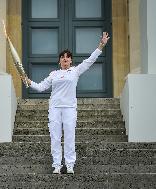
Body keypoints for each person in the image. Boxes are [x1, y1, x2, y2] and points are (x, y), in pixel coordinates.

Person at [24, 32, 110, 174]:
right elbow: (40, 87)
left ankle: (69, 165)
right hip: (55, 109)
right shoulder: (54, 74)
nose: (65, 59)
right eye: (63, 57)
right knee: (55, 137)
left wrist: (101, 45)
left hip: (70, 108)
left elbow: (90, 61)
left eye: (68, 57)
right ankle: (57, 165)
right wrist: (28, 82)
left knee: (70, 136)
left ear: (71, 61)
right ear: (59, 61)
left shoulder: (75, 71)